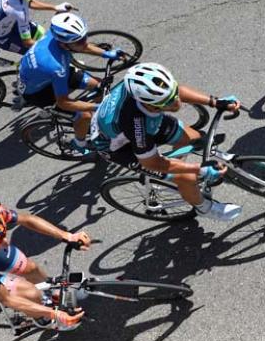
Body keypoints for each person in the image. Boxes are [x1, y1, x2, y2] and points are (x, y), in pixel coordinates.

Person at [90, 63, 243, 222]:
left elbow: (177, 92)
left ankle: (177, 182)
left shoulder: (146, 89)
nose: (176, 103)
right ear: (148, 104)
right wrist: (199, 170)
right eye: (167, 102)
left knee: (193, 138)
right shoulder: (136, 124)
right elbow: (152, 162)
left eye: (172, 96)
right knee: (188, 177)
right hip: (116, 147)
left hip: (131, 122)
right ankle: (204, 208)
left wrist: (216, 102)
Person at [18, 11, 122, 151]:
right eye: (80, 40)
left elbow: (82, 45)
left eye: (84, 37)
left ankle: (99, 121)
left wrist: (107, 54)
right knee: (84, 115)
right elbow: (64, 102)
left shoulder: (56, 36)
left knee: (99, 85)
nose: (85, 42)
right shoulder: (56, 67)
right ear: (64, 44)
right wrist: (93, 107)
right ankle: (79, 144)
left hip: (50, 74)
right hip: (39, 93)